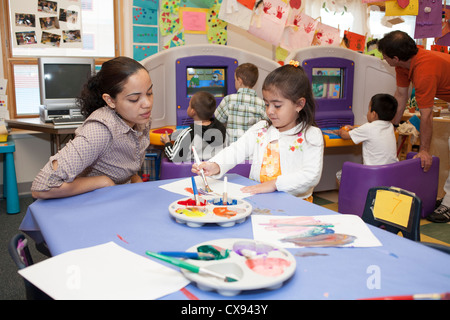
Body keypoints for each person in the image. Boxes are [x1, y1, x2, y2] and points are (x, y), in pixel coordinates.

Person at [192, 62, 324, 201]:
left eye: (277, 106)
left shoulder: (311, 135)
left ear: (299, 104)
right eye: (266, 104)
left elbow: (311, 176)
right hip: (259, 197)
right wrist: (216, 165)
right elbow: (237, 149)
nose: (270, 111)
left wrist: (274, 184)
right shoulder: (262, 128)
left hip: (295, 203)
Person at [31, 56, 153, 199]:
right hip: (83, 204)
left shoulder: (140, 119)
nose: (147, 104)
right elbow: (41, 187)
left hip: (114, 198)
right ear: (110, 100)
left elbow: (126, 163)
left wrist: (136, 181)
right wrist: (102, 181)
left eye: (149, 93)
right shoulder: (100, 129)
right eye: (134, 99)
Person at [378, 30, 450, 222]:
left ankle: (449, 204)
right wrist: (389, 128)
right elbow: (401, 96)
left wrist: (424, 150)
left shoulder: (424, 69)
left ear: (395, 57)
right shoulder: (403, 65)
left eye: (384, 56)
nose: (383, 59)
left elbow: (426, 115)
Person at [335, 93, 398, 181]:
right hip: (390, 174)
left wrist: (341, 130)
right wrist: (355, 128)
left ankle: (351, 194)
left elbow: (345, 136)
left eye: (368, 110)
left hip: (372, 175)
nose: (367, 113)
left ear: (374, 114)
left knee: (340, 175)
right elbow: (373, 130)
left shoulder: (368, 128)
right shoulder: (390, 126)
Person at [161, 91, 226, 162]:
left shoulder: (188, 135)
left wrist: (167, 143)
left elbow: (174, 158)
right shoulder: (221, 129)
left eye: (189, 105)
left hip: (193, 172)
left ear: (193, 111)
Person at [214, 62, 268, 144]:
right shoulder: (261, 104)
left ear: (239, 81)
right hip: (253, 150)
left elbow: (218, 119)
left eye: (235, 80)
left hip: (232, 150)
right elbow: (268, 123)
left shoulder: (228, 100)